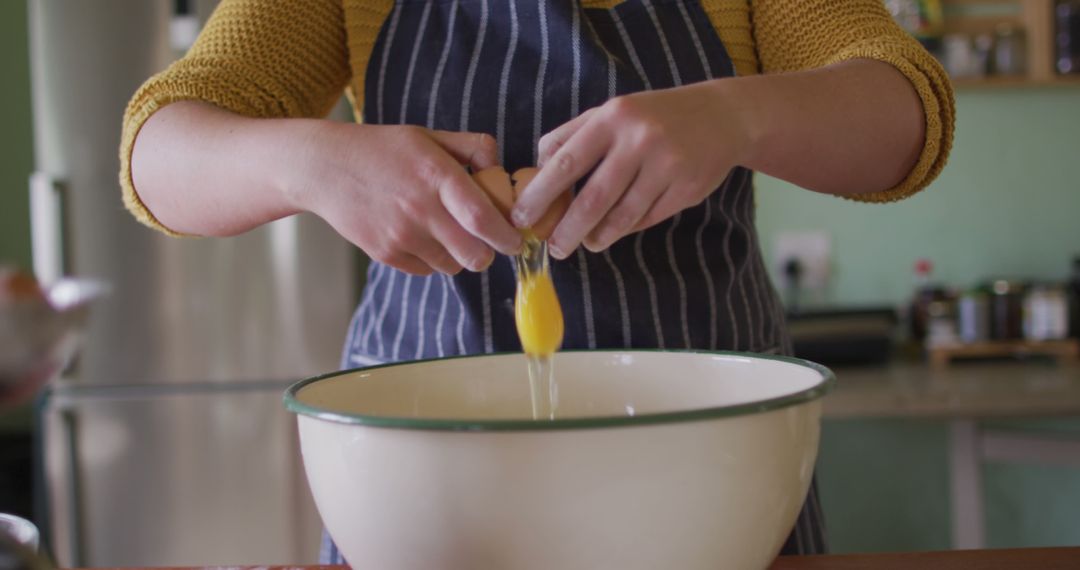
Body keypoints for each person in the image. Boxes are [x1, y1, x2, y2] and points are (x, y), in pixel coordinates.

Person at [120, 0, 955, 560]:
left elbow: (905, 113)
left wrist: (736, 115)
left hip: (712, 492)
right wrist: (311, 162)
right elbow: (160, 149)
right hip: (429, 499)